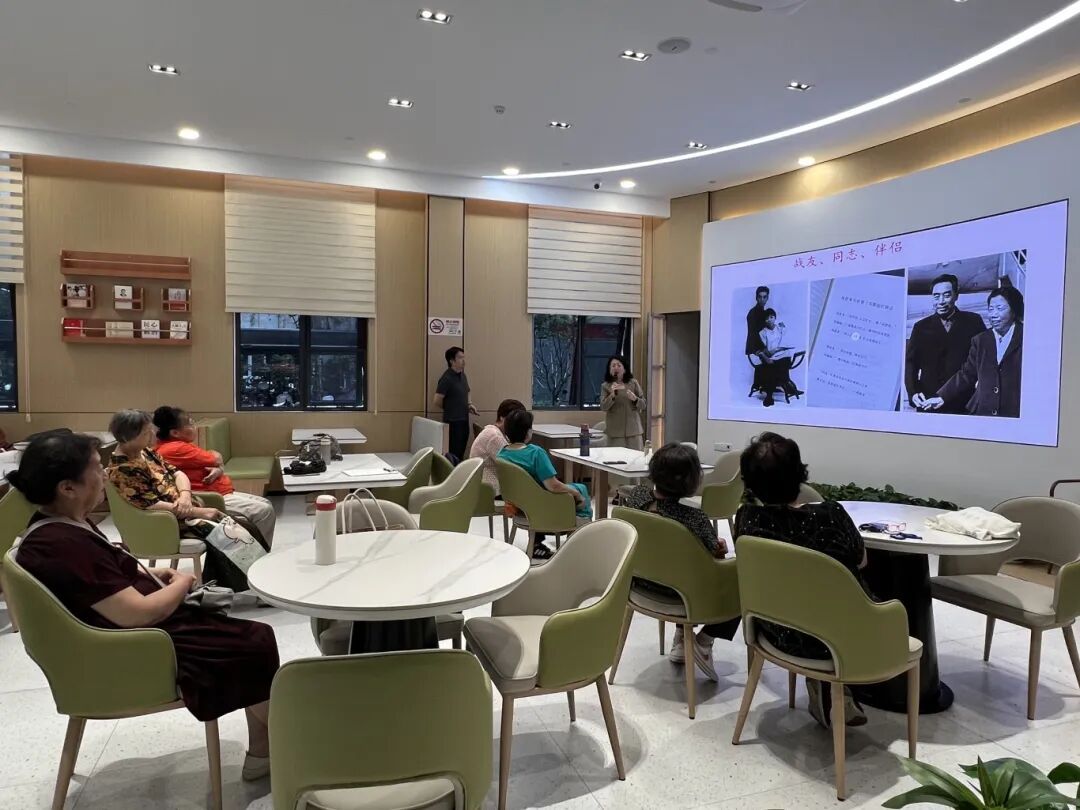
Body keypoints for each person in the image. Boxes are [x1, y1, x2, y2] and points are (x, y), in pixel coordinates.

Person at [8, 432, 278, 780]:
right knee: (254, 641)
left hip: (127, 636)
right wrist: (181, 583)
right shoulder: (60, 544)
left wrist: (150, 573)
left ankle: (265, 747)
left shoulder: (60, 527)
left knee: (251, 637)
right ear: (68, 487)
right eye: (97, 468)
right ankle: (274, 745)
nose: (106, 475)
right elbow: (137, 613)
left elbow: (99, 578)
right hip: (135, 650)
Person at [734, 432, 871, 729]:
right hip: (840, 637)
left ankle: (828, 690)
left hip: (776, 630)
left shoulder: (747, 519)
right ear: (800, 474)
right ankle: (841, 689)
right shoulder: (832, 515)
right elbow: (862, 561)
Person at [622, 443, 739, 681]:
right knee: (739, 580)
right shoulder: (694, 518)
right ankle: (703, 641)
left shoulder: (635, 499)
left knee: (677, 564)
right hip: (682, 595)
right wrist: (720, 547)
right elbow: (714, 558)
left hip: (639, 585)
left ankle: (681, 639)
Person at [152, 406, 276, 545]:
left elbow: (214, 456)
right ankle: (256, 551)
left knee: (266, 504)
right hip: (210, 497)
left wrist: (219, 468)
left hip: (218, 492)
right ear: (175, 432)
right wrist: (219, 466)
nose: (194, 426)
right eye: (190, 423)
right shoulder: (175, 448)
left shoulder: (177, 445)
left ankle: (254, 546)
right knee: (264, 511)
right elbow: (216, 458)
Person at [917, 286, 1024, 418]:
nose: (993, 314)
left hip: (1014, 413)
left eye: (1000, 309)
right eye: (991, 309)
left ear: (1014, 310)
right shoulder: (981, 340)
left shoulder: (1026, 338)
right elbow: (966, 374)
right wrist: (941, 397)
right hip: (983, 412)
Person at [498, 409, 591, 560]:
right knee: (580, 489)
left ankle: (537, 543)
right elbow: (553, 486)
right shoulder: (535, 453)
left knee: (574, 489)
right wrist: (576, 493)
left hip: (519, 508)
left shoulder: (502, 454)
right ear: (528, 432)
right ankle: (579, 539)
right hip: (543, 509)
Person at [106, 409, 223, 523]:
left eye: (151, 430)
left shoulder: (146, 452)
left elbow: (177, 473)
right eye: (146, 433)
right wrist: (197, 512)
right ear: (126, 438)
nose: (153, 434)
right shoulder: (123, 469)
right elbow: (151, 504)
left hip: (190, 508)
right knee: (228, 532)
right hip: (171, 521)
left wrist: (185, 496)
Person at [905, 273, 987, 413]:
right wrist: (913, 393)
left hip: (964, 402)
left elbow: (983, 360)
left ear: (956, 296)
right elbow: (910, 364)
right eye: (936, 296)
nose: (941, 301)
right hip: (928, 402)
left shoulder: (974, 322)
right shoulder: (920, 327)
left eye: (946, 295)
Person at [468, 398, 525, 494]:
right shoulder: (495, 436)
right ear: (502, 417)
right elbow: (513, 466)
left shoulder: (494, 431)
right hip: (491, 490)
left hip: (483, 486)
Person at [434, 346, 478, 463]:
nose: (464, 361)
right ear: (451, 361)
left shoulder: (463, 375)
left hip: (464, 419)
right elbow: (437, 400)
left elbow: (467, 391)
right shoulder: (446, 378)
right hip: (452, 421)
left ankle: (459, 470)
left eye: (464, 357)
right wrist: (451, 407)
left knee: (461, 450)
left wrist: (469, 404)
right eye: (460, 358)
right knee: (453, 453)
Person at [599, 356, 646, 450]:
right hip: (615, 432)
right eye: (613, 366)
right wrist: (612, 395)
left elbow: (643, 405)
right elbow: (603, 407)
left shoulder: (633, 383)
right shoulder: (605, 386)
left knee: (635, 457)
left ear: (624, 369)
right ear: (609, 370)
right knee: (616, 457)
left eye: (619, 365)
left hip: (633, 431)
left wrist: (635, 399)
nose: (616, 368)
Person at [757, 309, 801, 407]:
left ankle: (774, 392)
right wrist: (774, 351)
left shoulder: (780, 327)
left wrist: (781, 347)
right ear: (764, 320)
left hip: (783, 356)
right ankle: (771, 394)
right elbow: (766, 351)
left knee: (780, 363)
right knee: (772, 368)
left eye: (771, 317)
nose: (769, 320)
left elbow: (788, 340)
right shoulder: (762, 333)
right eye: (767, 318)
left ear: (775, 318)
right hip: (772, 357)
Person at [745, 285, 770, 356]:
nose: (762, 299)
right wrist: (763, 348)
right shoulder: (753, 313)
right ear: (756, 298)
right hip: (755, 350)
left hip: (762, 347)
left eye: (764, 297)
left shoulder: (764, 312)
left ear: (767, 298)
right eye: (760, 297)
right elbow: (753, 333)